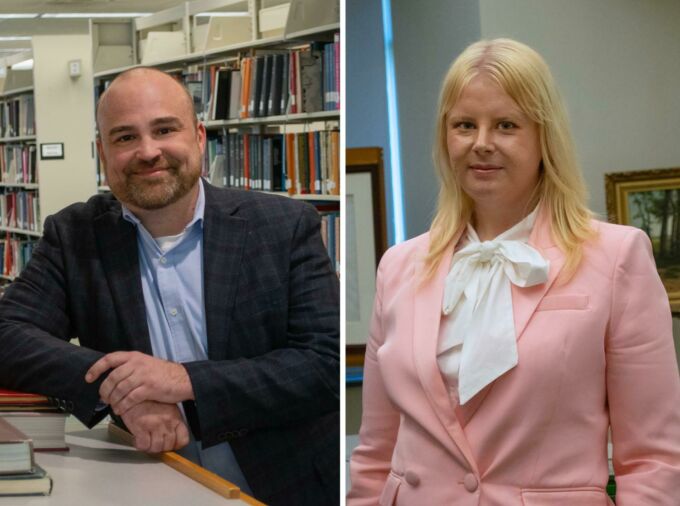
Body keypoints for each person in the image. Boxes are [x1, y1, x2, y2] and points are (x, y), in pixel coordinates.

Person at [348, 38, 680, 505]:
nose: (481, 143)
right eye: (465, 125)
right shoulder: (399, 267)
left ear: (544, 137)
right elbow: (375, 452)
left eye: (506, 125)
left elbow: (652, 460)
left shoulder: (617, 256)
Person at [0, 67, 339, 506]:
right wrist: (120, 390)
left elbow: (324, 363)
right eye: (124, 138)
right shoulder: (76, 236)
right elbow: (8, 335)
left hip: (282, 484)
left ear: (198, 136)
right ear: (102, 152)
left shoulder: (281, 226)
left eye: (164, 129)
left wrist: (184, 381)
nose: (148, 151)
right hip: (146, 481)